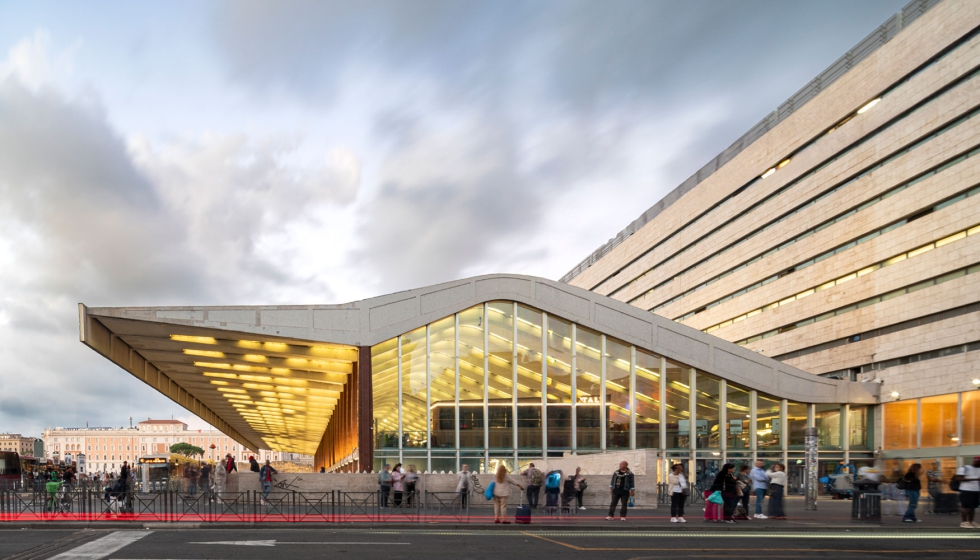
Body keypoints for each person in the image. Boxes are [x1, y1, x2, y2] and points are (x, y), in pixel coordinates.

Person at [955, 456, 980, 528]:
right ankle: (964, 522)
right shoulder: (965, 468)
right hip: (966, 490)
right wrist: (975, 479)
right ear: (975, 461)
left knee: (973, 507)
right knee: (965, 506)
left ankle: (971, 521)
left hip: (976, 490)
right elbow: (958, 478)